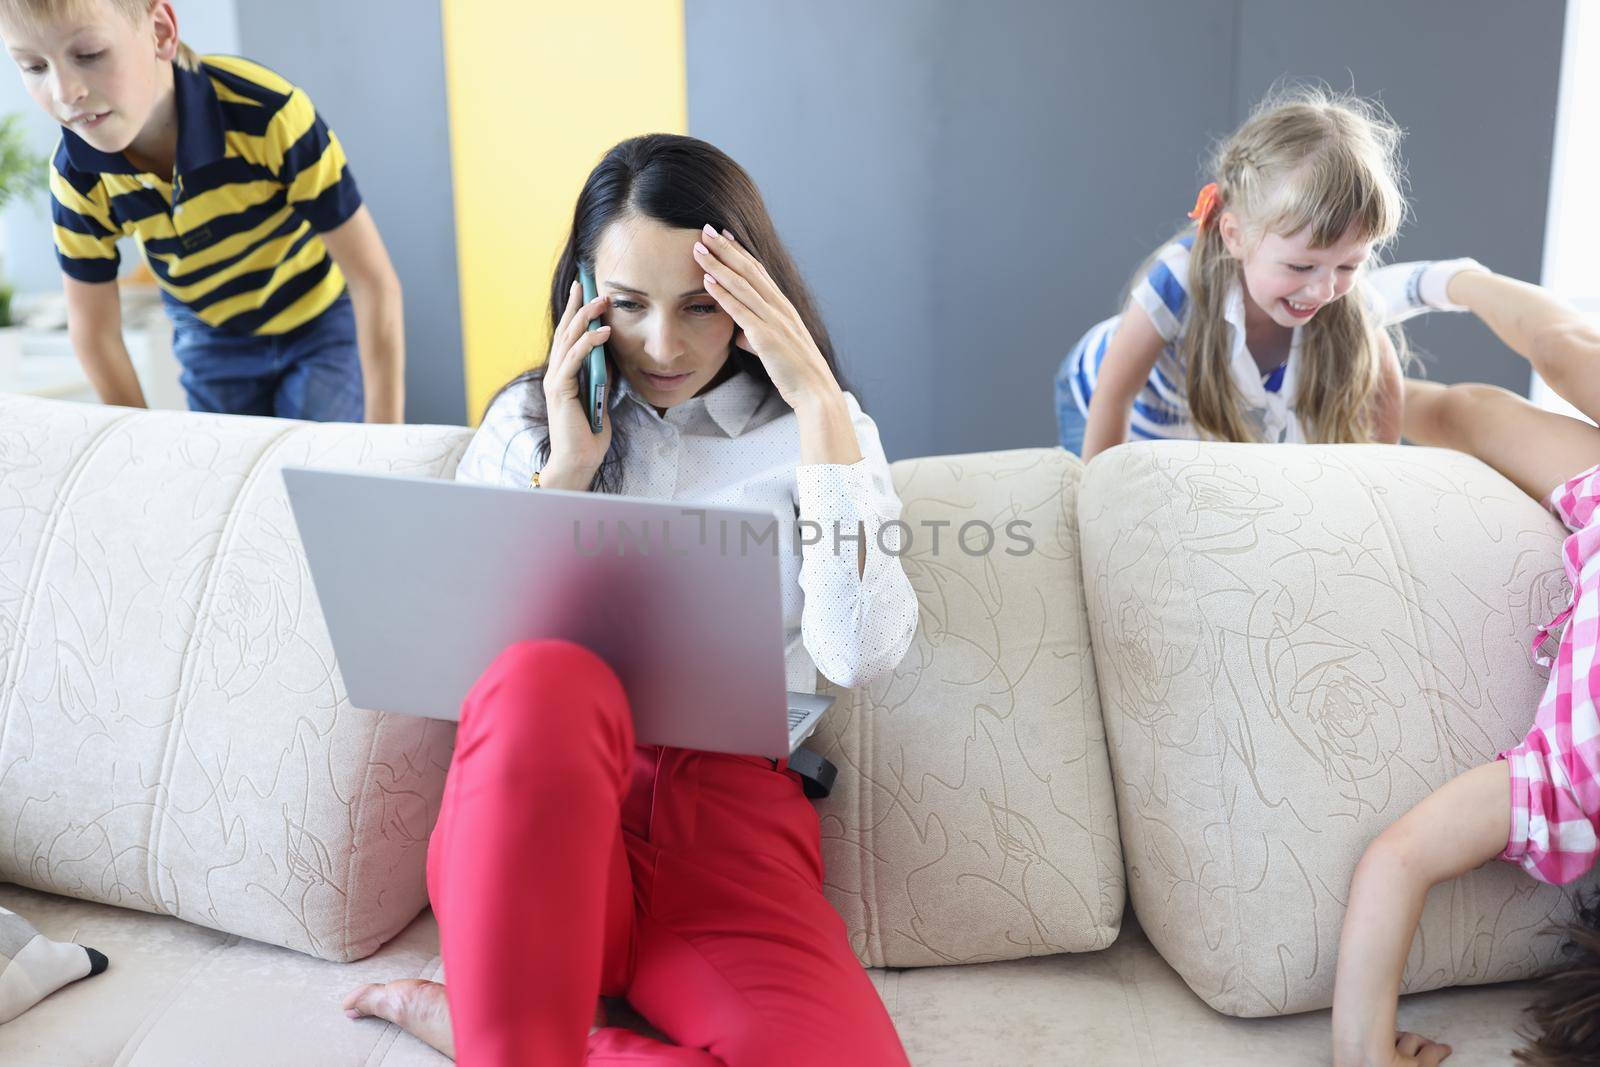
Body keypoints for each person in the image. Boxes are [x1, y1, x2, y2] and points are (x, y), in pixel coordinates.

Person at [342, 133, 919, 1066]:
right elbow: (465, 675)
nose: (663, 344)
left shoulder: (824, 434)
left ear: (754, 295)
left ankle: (508, 1039)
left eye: (701, 305)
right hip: (539, 810)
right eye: (630, 304)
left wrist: (817, 401)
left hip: (730, 828)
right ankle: (516, 1032)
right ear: (582, 291)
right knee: (544, 680)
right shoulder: (529, 423)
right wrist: (565, 474)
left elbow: (860, 654)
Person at [1330, 263, 1600, 1066]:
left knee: (1473, 412)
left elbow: (1398, 857)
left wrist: (1362, 1053)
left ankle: (1324, 394)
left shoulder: (1571, 800)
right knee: (1558, 350)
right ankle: (1457, 280)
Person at [0, 0, 404, 421]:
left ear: (159, 32)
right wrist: (143, 443)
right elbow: (95, 333)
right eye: (33, 66)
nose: (66, 93)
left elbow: (373, 282)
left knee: (320, 469)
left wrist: (387, 441)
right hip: (210, 335)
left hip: (315, 320)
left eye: (89, 55)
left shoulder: (269, 114)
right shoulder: (76, 179)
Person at [1055, 88, 1406, 459]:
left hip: (1198, 420)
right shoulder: (1177, 279)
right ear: (1235, 236)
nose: (1323, 289)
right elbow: (1113, 394)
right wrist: (1098, 495)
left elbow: (1385, 392)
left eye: (1349, 265)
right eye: (1300, 266)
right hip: (1098, 399)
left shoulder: (1346, 299)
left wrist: (1380, 478)